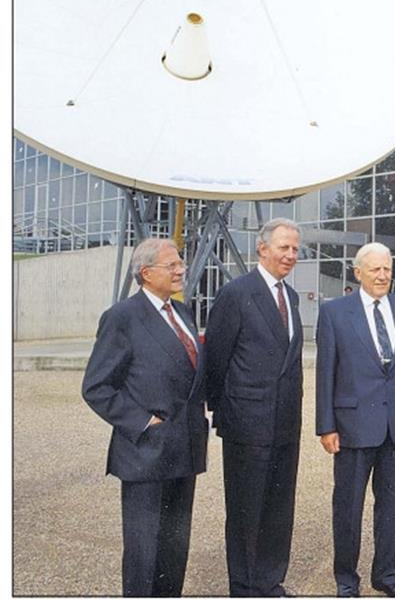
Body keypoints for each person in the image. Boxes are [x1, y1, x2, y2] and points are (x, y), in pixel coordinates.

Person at [82, 238, 208, 597]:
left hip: (184, 448)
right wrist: (143, 422)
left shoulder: (182, 312)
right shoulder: (122, 317)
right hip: (146, 453)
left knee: (174, 547)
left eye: (181, 263)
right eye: (173, 265)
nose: (181, 270)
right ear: (147, 273)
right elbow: (96, 387)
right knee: (145, 550)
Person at [316, 242, 395, 598]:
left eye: (387, 269)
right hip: (352, 426)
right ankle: (347, 579)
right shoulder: (335, 313)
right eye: (375, 269)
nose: (382, 275)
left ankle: (387, 576)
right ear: (357, 272)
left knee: (391, 508)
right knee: (348, 508)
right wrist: (326, 426)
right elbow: (326, 373)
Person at [205, 218, 303, 597]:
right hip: (247, 424)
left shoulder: (291, 297)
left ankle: (269, 581)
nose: (290, 255)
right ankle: (245, 587)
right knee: (247, 511)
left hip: (285, 423)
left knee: (278, 508)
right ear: (262, 249)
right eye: (283, 247)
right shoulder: (236, 294)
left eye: (295, 249)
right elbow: (216, 359)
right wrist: (227, 413)